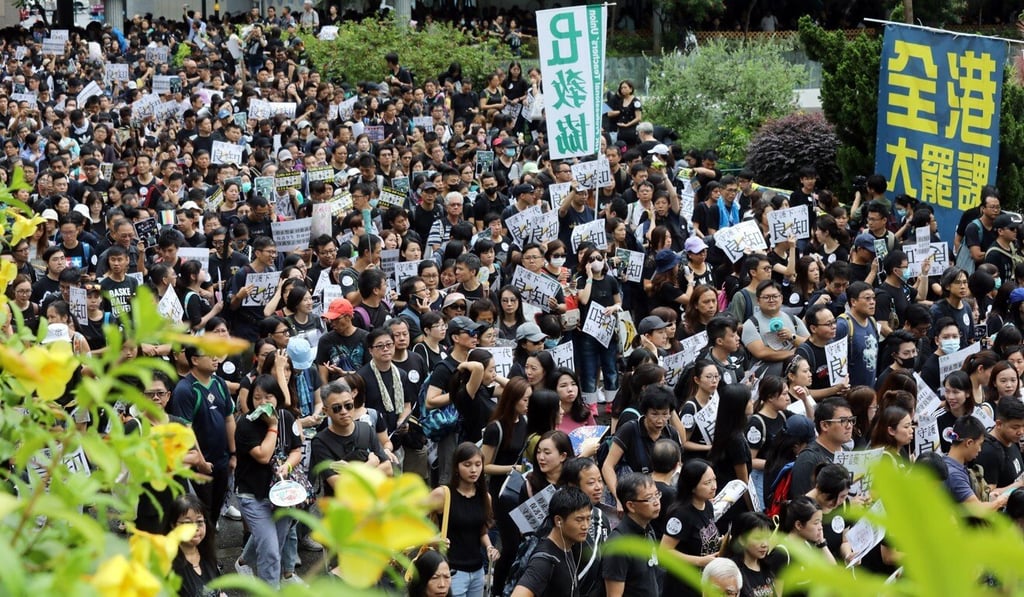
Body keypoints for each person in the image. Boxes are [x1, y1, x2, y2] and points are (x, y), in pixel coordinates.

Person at [233, 374, 302, 588]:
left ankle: (243, 562)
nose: (263, 403)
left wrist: (288, 465)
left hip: (281, 494)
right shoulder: (245, 423)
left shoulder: (287, 418)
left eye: (268, 397)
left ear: (278, 397)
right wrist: (272, 426)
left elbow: (297, 449)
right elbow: (263, 455)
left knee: (274, 545)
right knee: (271, 551)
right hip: (253, 494)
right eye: (257, 397)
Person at [169, 346, 236, 529]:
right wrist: (200, 461)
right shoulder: (185, 389)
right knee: (200, 513)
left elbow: (229, 419)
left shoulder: (220, 383)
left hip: (222, 460)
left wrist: (233, 453)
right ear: (195, 360)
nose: (215, 358)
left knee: (215, 511)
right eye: (209, 355)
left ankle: (208, 548)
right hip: (200, 464)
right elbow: (186, 430)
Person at [428, 442, 498, 597]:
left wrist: (489, 547)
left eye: (478, 464)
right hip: (451, 571)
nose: (474, 470)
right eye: (467, 465)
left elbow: (481, 531)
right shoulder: (443, 494)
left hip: (478, 572)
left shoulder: (485, 497)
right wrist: (432, 539)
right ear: (456, 467)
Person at [602, 386, 680, 515]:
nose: (660, 420)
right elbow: (608, 466)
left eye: (665, 414)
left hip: (660, 498)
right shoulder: (630, 430)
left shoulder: (671, 433)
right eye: (654, 414)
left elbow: (678, 467)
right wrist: (619, 498)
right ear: (645, 412)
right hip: (634, 497)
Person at [309, 380, 393, 494]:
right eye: (337, 408)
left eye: (348, 406)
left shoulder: (366, 429)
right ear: (326, 411)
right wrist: (369, 465)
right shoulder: (320, 442)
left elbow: (388, 470)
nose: (344, 411)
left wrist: (350, 472)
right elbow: (341, 487)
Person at [509, 487, 592, 597]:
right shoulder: (544, 561)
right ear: (558, 521)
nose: (585, 526)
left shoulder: (570, 545)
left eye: (588, 518)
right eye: (579, 519)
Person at [660, 459, 722, 597]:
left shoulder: (708, 506)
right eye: (707, 483)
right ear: (692, 487)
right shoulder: (681, 514)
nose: (714, 486)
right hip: (682, 585)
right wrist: (700, 561)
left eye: (714, 480)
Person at [603, 473, 662, 597]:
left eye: (657, 495)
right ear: (631, 506)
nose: (656, 502)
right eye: (649, 498)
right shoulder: (618, 545)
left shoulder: (648, 530)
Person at [789, 398, 853, 498]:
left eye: (851, 420)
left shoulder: (846, 450)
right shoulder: (809, 458)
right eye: (843, 421)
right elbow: (801, 504)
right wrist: (847, 507)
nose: (849, 426)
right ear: (824, 425)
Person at [941, 415, 1009, 509]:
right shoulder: (954, 474)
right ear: (969, 443)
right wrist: (1000, 501)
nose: (980, 450)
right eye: (980, 444)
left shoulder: (949, 464)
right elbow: (979, 511)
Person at [166, 494, 224, 597]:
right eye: (187, 523)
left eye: (199, 522)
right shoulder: (168, 565)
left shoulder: (208, 555)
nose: (195, 528)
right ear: (173, 525)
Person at [973, 396, 1024, 492]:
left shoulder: (1012, 440)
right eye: (1015, 427)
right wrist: (1019, 484)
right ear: (999, 424)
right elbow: (988, 495)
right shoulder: (988, 452)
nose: (1021, 432)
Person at [835, 281, 879, 388]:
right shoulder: (843, 325)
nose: (872, 302)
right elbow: (836, 364)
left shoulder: (872, 321)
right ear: (853, 301)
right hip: (851, 392)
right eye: (867, 298)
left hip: (869, 390)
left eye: (873, 298)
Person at [725, 512, 776, 597]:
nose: (765, 544)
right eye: (758, 538)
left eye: (767, 538)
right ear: (741, 540)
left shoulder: (767, 567)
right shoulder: (731, 572)